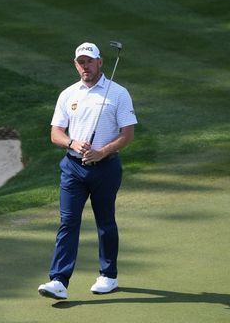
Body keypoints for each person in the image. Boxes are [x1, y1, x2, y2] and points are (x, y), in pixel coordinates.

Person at [38, 42, 137, 300]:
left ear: (99, 63)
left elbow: (128, 134)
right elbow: (55, 133)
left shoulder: (118, 93)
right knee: (68, 222)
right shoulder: (68, 94)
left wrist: (102, 151)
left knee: (105, 222)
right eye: (81, 62)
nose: (85, 66)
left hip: (106, 167)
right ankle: (59, 280)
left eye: (89, 61)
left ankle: (108, 275)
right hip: (73, 167)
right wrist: (73, 143)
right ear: (75, 64)